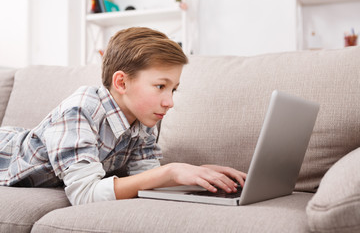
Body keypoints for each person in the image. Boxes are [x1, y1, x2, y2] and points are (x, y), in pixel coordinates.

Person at [0, 27, 246, 205]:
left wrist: (197, 174)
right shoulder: (80, 110)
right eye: (161, 86)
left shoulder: (144, 120)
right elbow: (84, 195)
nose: (169, 102)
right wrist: (169, 171)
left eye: (173, 89)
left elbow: (145, 179)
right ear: (121, 82)